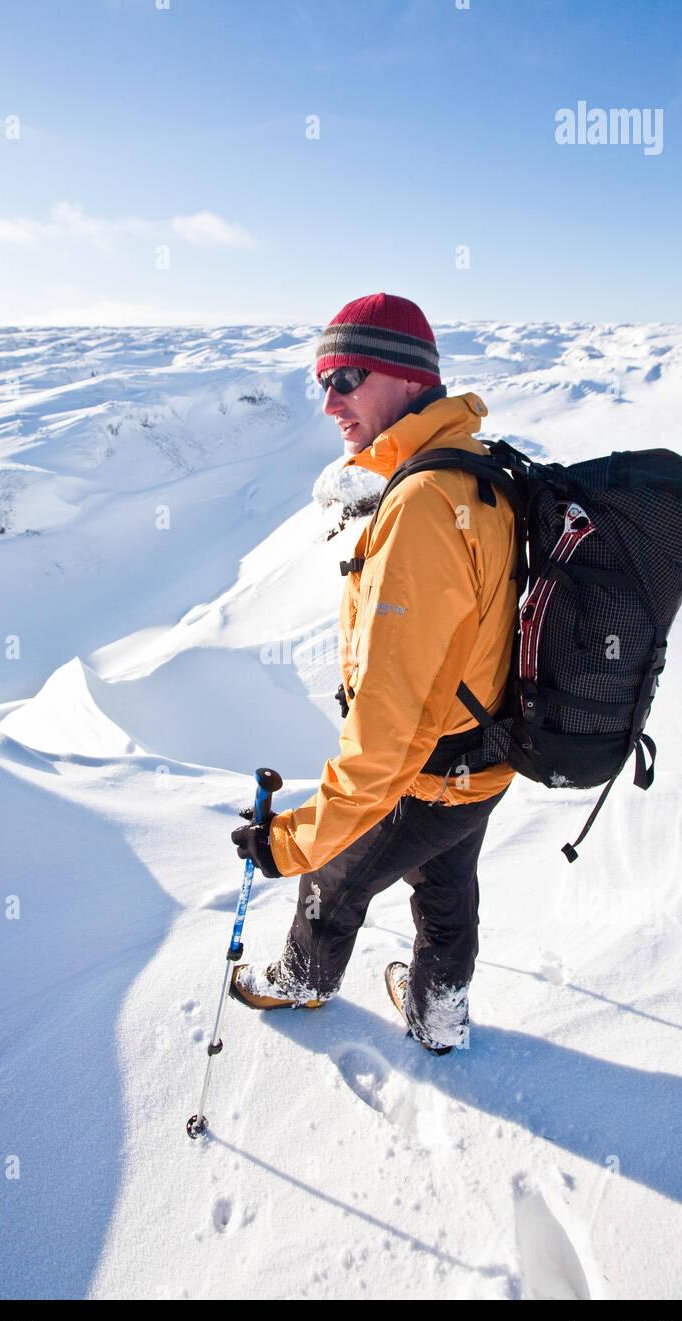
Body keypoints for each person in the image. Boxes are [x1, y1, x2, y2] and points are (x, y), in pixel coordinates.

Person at [229, 292, 518, 1054]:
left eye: (346, 376)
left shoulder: (424, 503)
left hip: (426, 770)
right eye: (321, 380)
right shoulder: (474, 467)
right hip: (483, 758)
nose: (328, 402)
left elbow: (384, 740)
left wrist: (286, 845)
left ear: (404, 376)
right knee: (447, 887)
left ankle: (304, 978)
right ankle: (439, 1012)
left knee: (335, 878)